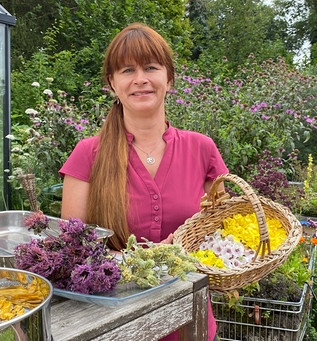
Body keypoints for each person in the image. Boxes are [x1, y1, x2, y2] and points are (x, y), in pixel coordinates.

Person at [60, 22, 228, 341]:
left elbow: (224, 233)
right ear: (112, 82)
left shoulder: (202, 149)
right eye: (127, 70)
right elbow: (74, 254)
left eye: (151, 67)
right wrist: (145, 259)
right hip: (115, 327)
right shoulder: (88, 155)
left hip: (190, 324)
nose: (140, 79)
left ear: (169, 79)